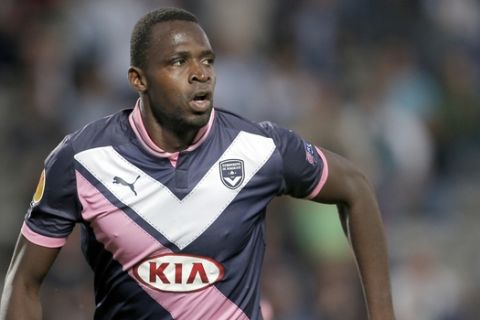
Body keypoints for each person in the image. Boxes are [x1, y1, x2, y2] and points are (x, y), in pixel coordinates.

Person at [0, 7, 395, 320]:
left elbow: (356, 187)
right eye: (178, 61)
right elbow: (23, 284)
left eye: (207, 60)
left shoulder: (258, 149)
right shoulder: (82, 161)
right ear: (139, 79)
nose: (200, 74)